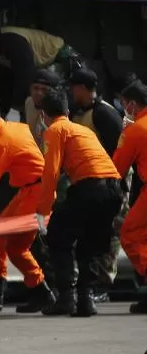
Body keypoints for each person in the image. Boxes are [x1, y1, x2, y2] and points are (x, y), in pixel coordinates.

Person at [36, 88, 122, 317]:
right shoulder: (82, 130)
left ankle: (66, 297)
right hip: (112, 190)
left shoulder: (55, 130)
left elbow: (50, 172)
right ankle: (86, 299)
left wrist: (42, 211)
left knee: (56, 236)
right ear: (66, 110)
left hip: (88, 188)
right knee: (90, 244)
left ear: (44, 114)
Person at [0, 92, 55, 313]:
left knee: (16, 247)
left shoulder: (0, 143)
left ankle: (39, 290)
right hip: (29, 191)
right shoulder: (18, 127)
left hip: (35, 195)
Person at [0, 15, 80, 123]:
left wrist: (15, 109)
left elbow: (25, 75)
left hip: (60, 57)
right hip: (34, 70)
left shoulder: (12, 41)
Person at [69, 66, 126, 293]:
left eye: (74, 87)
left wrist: (116, 184)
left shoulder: (104, 113)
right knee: (89, 231)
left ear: (83, 88)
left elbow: (119, 151)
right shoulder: (76, 112)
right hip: (86, 182)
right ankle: (88, 281)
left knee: (111, 230)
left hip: (111, 180)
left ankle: (103, 283)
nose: (71, 92)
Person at [111, 81, 147, 314]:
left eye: (125, 104)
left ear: (132, 104)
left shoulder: (135, 130)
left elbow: (116, 167)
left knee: (130, 236)